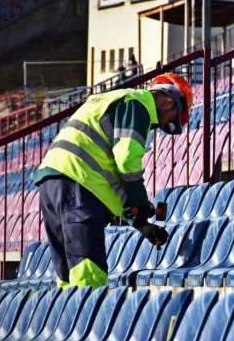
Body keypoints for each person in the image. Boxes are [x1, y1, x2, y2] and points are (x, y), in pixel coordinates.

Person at [35, 73, 193, 289]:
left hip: (52, 181)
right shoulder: (138, 105)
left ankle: (71, 317)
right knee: (88, 271)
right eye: (171, 119)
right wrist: (140, 202)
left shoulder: (116, 98)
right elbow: (127, 162)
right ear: (167, 102)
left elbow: (109, 178)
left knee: (68, 275)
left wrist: (140, 223)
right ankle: (88, 319)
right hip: (78, 185)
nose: (163, 125)